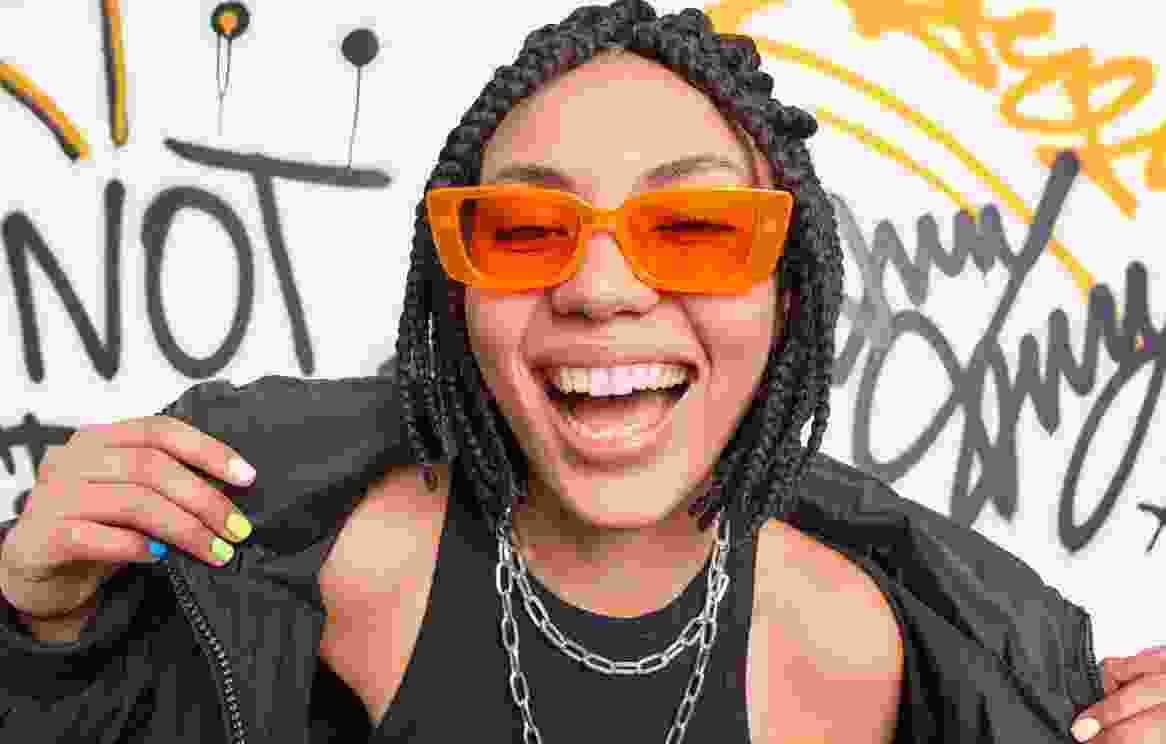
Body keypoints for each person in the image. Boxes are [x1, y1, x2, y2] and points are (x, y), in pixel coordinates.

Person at [2, 2, 1163, 742]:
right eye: (522, 230)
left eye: (694, 227)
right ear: (455, 298)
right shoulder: (318, 564)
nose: (600, 290)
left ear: (785, 295)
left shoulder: (859, 650)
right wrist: (42, 629)